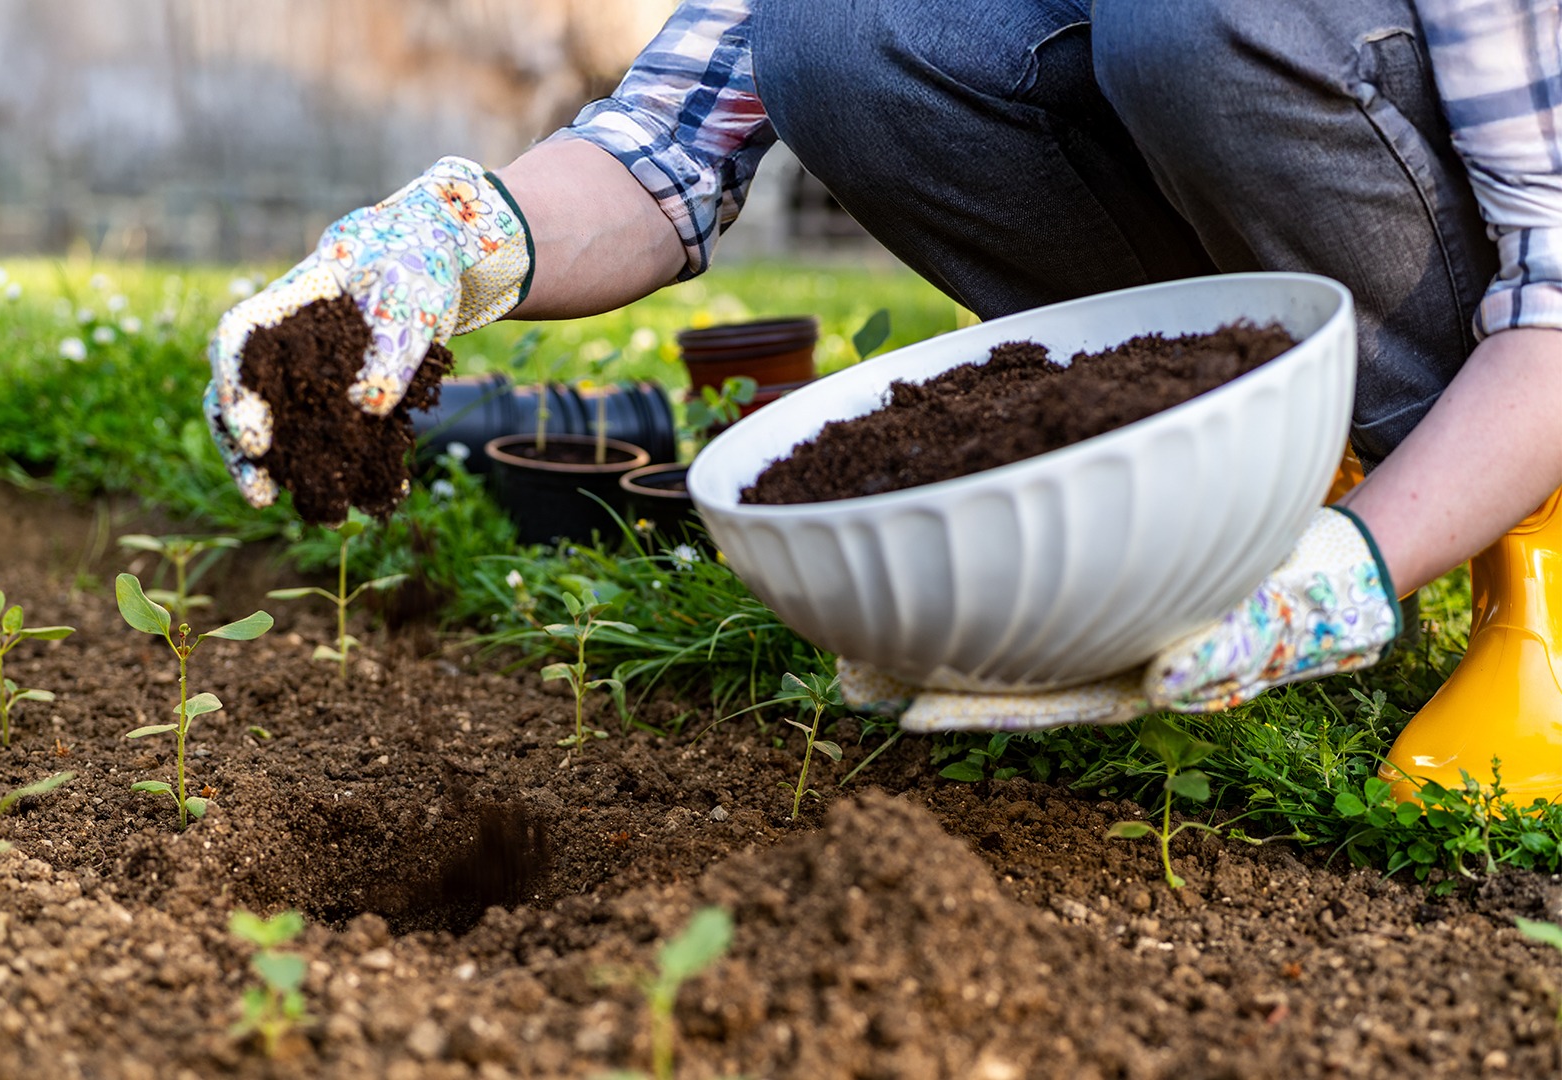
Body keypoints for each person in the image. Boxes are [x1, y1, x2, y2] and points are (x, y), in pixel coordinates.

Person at [203, 0, 1562, 799]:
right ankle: (1253, 443)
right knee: (838, 36)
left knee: (1189, 22)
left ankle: (1527, 557)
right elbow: (674, 142)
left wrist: (1363, 569)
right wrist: (442, 241)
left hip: (1511, 307)